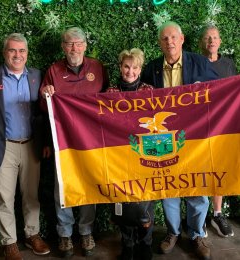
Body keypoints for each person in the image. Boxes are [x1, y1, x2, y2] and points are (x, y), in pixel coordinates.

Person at [141, 21, 219, 260]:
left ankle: (197, 234)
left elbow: (218, 93)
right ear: (159, 43)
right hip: (161, 137)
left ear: (182, 39)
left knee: (197, 187)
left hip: (194, 138)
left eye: (173, 37)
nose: (169, 42)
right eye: (164, 39)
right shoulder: (151, 69)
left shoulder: (200, 63)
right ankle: (172, 233)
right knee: (167, 187)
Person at [40, 27, 109, 257]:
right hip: (64, 142)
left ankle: (86, 231)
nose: (74, 48)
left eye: (78, 43)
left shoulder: (97, 68)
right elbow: (44, 107)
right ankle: (65, 235)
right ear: (63, 46)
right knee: (63, 187)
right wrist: (45, 93)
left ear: (85, 46)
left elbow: (107, 101)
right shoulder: (53, 70)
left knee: (89, 185)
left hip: (91, 141)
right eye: (69, 44)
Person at [0, 33, 50, 260]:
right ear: (4, 53)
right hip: (3, 146)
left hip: (31, 145)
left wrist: (47, 142)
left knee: (31, 195)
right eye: (12, 50)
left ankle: (32, 235)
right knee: (5, 197)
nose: (17, 55)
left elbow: (44, 113)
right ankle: (9, 242)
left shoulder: (37, 76)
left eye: (21, 51)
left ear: (27, 53)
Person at [107, 48, 154, 260]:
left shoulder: (150, 90)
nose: (130, 71)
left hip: (144, 154)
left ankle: (145, 243)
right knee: (122, 200)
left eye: (135, 67)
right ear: (120, 67)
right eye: (127, 66)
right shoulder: (110, 93)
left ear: (140, 69)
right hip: (119, 155)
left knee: (146, 200)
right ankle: (127, 244)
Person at [199, 24, 237, 238]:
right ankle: (200, 216)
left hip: (223, 126)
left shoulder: (229, 65)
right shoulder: (195, 63)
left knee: (219, 168)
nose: (211, 41)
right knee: (200, 169)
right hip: (200, 126)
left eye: (214, 37)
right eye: (207, 38)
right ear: (201, 43)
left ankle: (217, 213)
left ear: (220, 41)